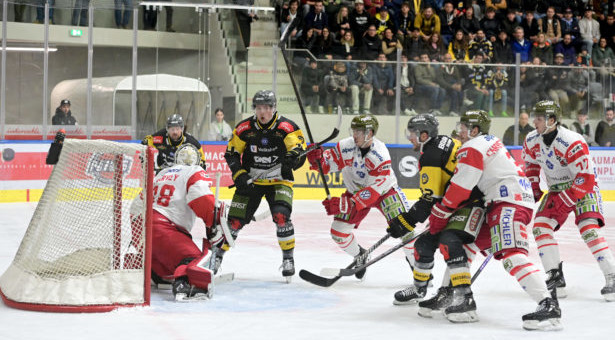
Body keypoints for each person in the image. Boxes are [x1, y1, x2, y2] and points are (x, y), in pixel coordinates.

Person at [429, 110, 561, 329]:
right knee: (467, 245)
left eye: (463, 128)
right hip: (506, 200)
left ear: (474, 130)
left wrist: (441, 212)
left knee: (511, 256)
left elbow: (460, 188)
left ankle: (548, 306)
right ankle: (453, 295)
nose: (459, 132)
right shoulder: (488, 141)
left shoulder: (472, 147)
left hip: (508, 202)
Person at [386, 113, 484, 307]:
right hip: (461, 203)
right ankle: (419, 289)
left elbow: (430, 200)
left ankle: (462, 296)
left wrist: (404, 222)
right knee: (423, 245)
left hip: (467, 206)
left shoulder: (430, 156)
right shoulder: (446, 140)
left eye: (412, 133)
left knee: (449, 243)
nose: (409, 137)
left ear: (424, 135)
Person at [523, 100, 615, 302]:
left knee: (588, 229)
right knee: (540, 227)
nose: (534, 122)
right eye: (534, 117)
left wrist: (567, 199)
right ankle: (555, 277)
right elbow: (530, 164)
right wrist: (534, 188)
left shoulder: (572, 140)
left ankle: (612, 275)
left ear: (552, 120)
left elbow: (585, 177)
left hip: (583, 187)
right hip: (556, 189)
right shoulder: (531, 139)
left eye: (539, 118)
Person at [307, 114, 412, 281]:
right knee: (338, 232)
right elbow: (328, 164)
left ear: (369, 134)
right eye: (353, 130)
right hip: (355, 192)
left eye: (359, 132)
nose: (354, 135)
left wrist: (344, 204)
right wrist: (317, 160)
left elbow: (372, 192)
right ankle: (360, 255)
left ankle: (420, 273)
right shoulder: (345, 146)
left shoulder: (380, 155)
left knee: (406, 231)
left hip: (385, 192)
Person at [220, 90, 307, 281]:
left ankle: (288, 259)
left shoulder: (286, 127)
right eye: (259, 108)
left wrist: (294, 159)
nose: (263, 112)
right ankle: (216, 258)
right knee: (233, 222)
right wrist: (239, 174)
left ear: (274, 108)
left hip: (279, 181)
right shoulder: (244, 128)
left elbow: (299, 152)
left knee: (281, 216)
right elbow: (231, 153)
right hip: (252, 181)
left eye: (267, 107)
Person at [151, 144, 222, 301]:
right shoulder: (194, 171)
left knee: (167, 256)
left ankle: (154, 274)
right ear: (197, 161)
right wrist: (214, 222)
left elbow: (137, 205)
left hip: (142, 230)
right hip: (164, 229)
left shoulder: (161, 173)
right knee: (194, 259)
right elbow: (202, 199)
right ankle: (185, 284)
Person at [141, 113, 205, 171]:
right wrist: (145, 159)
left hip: (182, 173)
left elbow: (202, 161)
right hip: (163, 172)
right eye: (172, 129)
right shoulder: (160, 136)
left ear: (182, 129)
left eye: (177, 129)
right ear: (167, 129)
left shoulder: (190, 141)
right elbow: (145, 143)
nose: (175, 132)